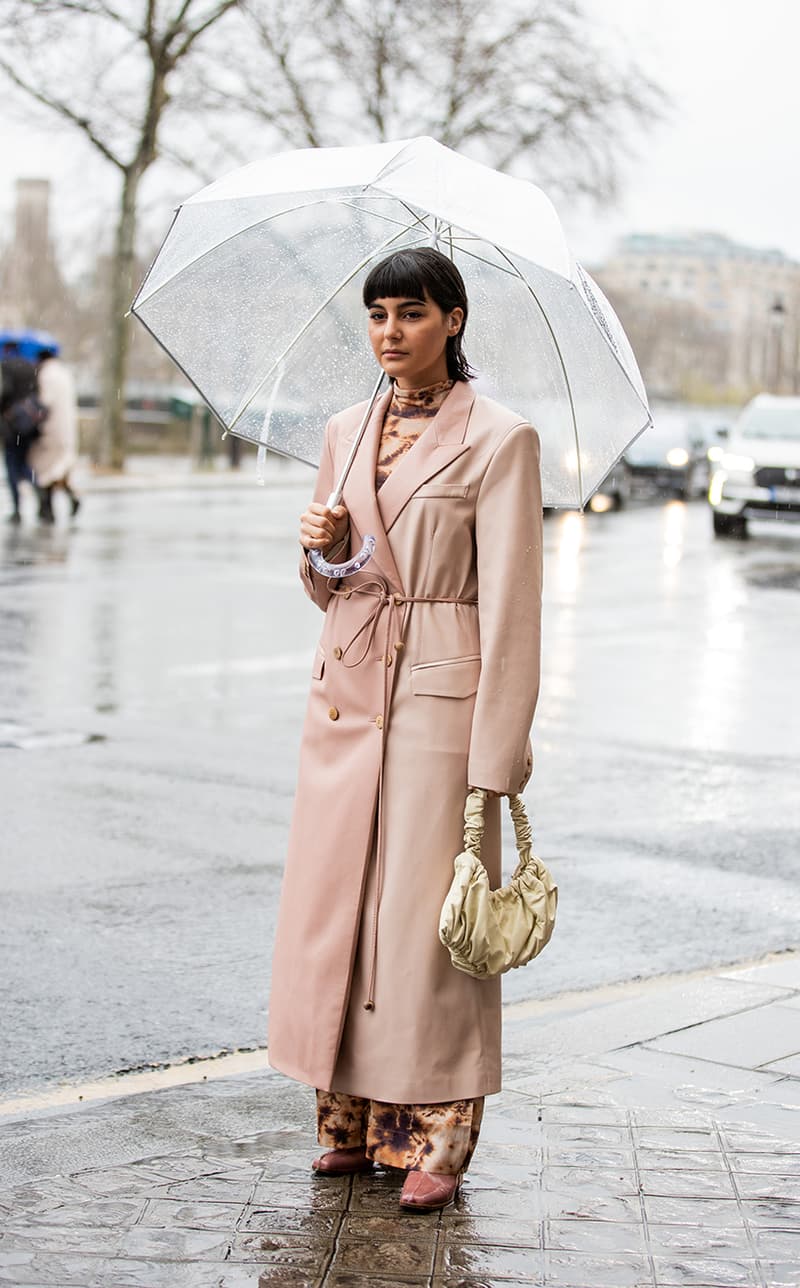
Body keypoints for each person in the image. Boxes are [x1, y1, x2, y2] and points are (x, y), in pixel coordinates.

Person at [268, 247, 543, 1213]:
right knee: (340, 912)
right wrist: (323, 555)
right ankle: (347, 1124)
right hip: (346, 695)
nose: (391, 332)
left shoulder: (501, 439)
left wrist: (497, 757)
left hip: (439, 700)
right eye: (378, 314)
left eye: (412, 314)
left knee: (425, 928)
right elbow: (335, 591)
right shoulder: (346, 429)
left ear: (454, 321)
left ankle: (435, 1140)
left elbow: (512, 607)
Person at [28, 343, 80, 522]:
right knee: (59, 469)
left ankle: (46, 508)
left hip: (51, 430)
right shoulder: (65, 373)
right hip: (67, 429)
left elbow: (45, 402)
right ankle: (69, 497)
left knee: (44, 470)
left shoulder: (46, 375)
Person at [1, 355, 40, 524]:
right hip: (28, 424)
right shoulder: (30, 367)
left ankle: (17, 508)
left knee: (11, 465)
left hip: (13, 423)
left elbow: (6, 391)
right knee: (25, 464)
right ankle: (39, 488)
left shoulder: (6, 366)